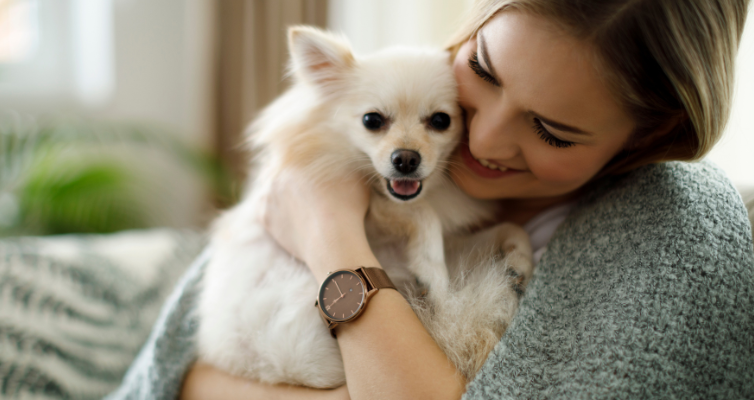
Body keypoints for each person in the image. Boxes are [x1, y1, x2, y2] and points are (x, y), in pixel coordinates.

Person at [107, 1, 754, 399]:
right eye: (484, 70)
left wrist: (332, 237)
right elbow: (178, 378)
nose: (485, 138)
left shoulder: (674, 232)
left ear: (655, 135)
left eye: (553, 129)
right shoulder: (350, 133)